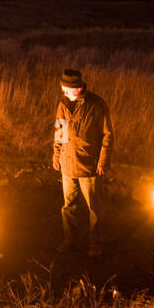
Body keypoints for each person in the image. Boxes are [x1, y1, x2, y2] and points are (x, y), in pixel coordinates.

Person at [51, 68, 114, 257]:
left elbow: (108, 136)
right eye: (63, 89)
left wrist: (103, 162)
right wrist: (56, 156)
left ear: (77, 89)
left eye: (67, 90)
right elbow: (60, 132)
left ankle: (96, 245)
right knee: (68, 206)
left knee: (94, 209)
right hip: (68, 164)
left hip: (89, 166)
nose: (64, 93)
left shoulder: (97, 105)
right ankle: (70, 240)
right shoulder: (63, 104)